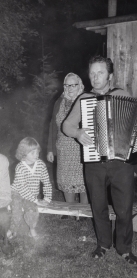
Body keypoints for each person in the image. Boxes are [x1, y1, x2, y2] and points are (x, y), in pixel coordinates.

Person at [62, 56, 137, 264]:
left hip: (121, 163)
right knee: (98, 205)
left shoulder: (122, 95)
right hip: (94, 161)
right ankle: (103, 244)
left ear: (110, 75)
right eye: (92, 73)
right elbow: (66, 126)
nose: (95, 77)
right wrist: (77, 132)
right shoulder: (84, 98)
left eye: (100, 73)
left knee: (124, 207)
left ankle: (125, 248)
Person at [47, 73, 88, 207]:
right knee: (66, 178)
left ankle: (83, 211)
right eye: (67, 85)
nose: (70, 88)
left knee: (84, 179)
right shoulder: (59, 102)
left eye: (73, 85)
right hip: (63, 147)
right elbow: (53, 125)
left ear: (80, 85)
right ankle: (70, 208)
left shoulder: (85, 100)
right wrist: (50, 149)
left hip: (81, 146)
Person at [10, 137, 52, 238]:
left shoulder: (41, 165)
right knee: (16, 209)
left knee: (32, 210)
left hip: (31, 194)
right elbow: (22, 187)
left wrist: (47, 198)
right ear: (24, 153)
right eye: (32, 153)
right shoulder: (20, 167)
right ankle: (13, 229)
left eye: (37, 152)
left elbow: (46, 182)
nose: (36, 155)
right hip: (17, 192)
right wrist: (35, 200)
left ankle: (32, 230)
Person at [0, 154, 13, 255]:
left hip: (2, 196)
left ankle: (5, 239)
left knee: (3, 214)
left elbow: (4, 189)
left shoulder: (2, 160)